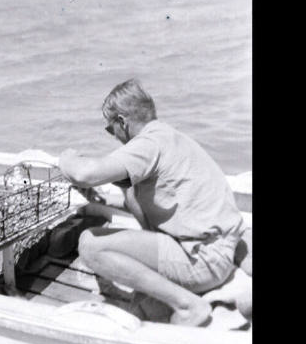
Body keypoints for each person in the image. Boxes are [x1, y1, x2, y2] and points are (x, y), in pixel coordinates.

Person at [58, 78, 251, 327]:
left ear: (122, 122)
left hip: (203, 263)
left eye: (110, 129)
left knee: (90, 244)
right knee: (131, 192)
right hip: (220, 251)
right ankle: (182, 294)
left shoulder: (148, 144)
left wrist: (66, 158)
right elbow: (153, 200)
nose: (113, 136)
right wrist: (106, 200)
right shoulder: (169, 136)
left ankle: (187, 306)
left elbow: (85, 174)